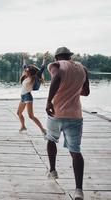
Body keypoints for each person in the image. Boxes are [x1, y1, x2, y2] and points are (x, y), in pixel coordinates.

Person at [45, 47, 90, 200]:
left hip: (56, 113)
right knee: (75, 151)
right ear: (70, 56)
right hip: (75, 115)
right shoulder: (82, 68)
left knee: (51, 139)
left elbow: (57, 79)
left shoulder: (56, 65)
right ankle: (79, 190)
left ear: (57, 56)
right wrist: (73, 89)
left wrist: (48, 101)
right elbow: (86, 92)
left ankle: (52, 170)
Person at [16, 52, 48, 135]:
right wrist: (24, 58)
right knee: (19, 113)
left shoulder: (34, 77)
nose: (25, 71)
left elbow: (42, 68)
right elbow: (24, 66)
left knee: (31, 116)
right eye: (26, 70)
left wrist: (44, 59)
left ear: (30, 72)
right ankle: (23, 126)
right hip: (23, 97)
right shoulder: (26, 77)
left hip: (28, 97)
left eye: (27, 70)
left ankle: (43, 129)